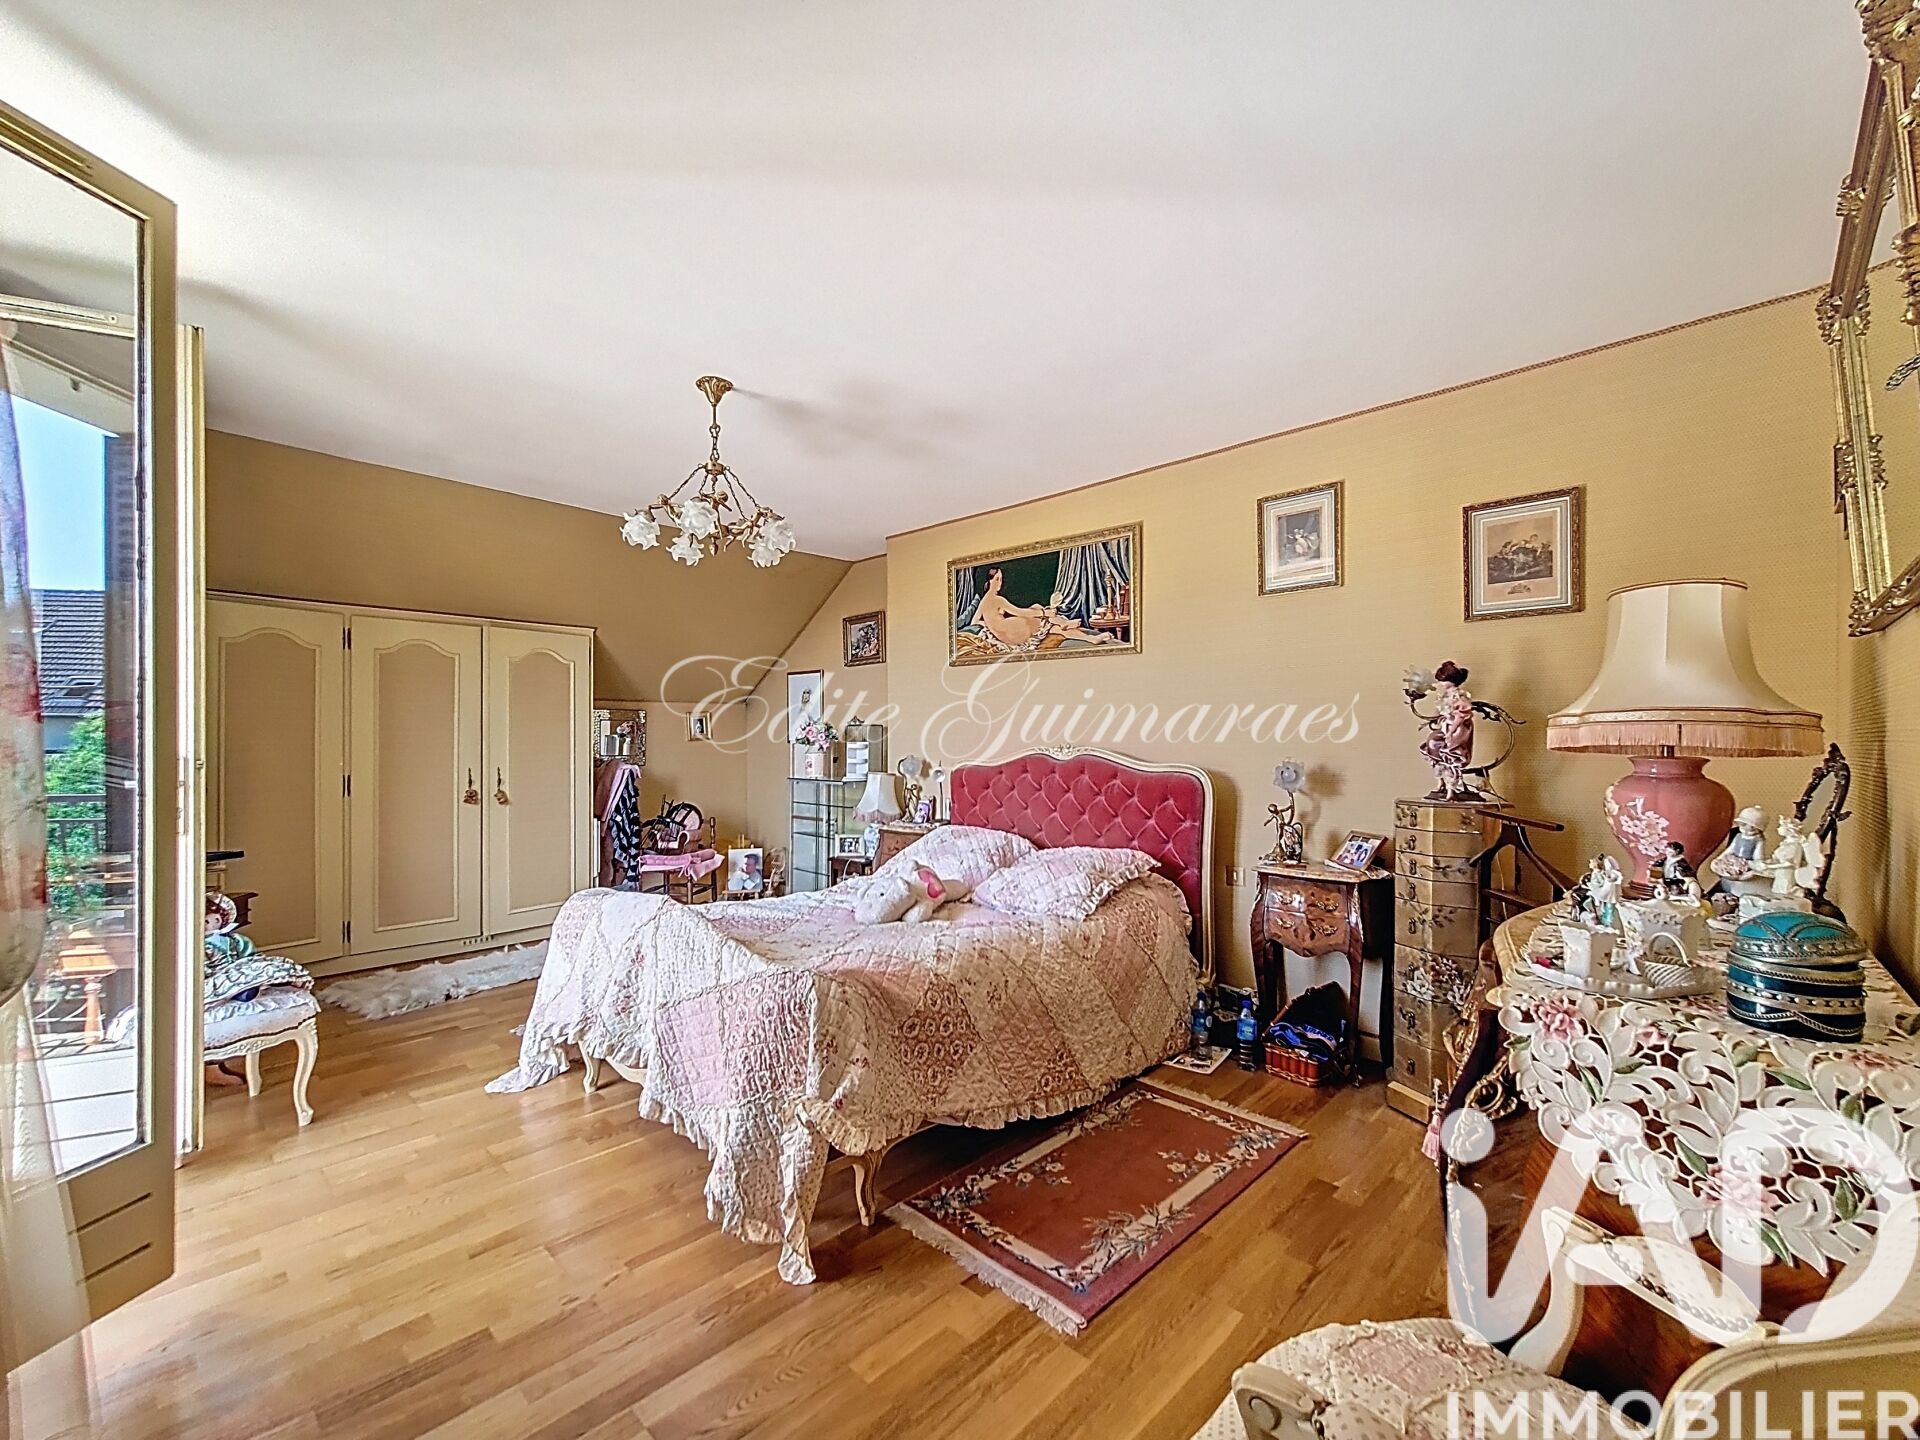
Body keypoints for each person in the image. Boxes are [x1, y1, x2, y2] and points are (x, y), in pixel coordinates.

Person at [971, 567, 1118, 650]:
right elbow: (1020, 612)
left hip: (1007, 634)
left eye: (1001, 579)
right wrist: (1044, 612)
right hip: (1015, 632)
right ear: (988, 582)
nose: (1000, 583)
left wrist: (992, 626)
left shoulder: (984, 602)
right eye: (997, 580)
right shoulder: (997, 599)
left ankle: (1089, 638)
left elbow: (974, 621)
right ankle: (1064, 623)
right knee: (1041, 613)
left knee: (1051, 626)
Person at [1417, 661, 1475, 798]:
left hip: (1457, 727)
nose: (1442, 683)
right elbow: (1440, 712)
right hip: (1445, 725)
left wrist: (1451, 732)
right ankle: (1441, 782)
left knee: (1451, 753)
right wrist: (1431, 721)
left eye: (1444, 680)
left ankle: (1451, 789)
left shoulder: (1459, 696)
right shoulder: (1445, 695)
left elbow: (1461, 715)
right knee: (1433, 743)